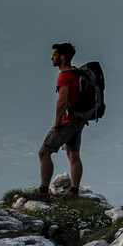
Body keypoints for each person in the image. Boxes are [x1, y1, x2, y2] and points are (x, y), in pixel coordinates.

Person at [35, 42, 84, 198]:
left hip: (67, 120)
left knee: (44, 152)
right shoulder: (76, 72)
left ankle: (43, 192)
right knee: (73, 154)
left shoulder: (64, 76)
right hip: (79, 120)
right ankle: (74, 192)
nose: (52, 58)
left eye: (54, 55)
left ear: (62, 57)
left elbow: (62, 100)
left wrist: (57, 123)